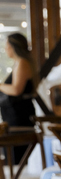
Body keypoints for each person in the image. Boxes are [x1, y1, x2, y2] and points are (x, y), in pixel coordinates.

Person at [0, 33, 37, 163]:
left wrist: (0, 86)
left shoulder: (22, 63)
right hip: (14, 117)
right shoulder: (19, 63)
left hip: (19, 118)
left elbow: (16, 90)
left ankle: (16, 176)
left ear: (13, 47)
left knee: (17, 157)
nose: (5, 49)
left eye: (7, 46)